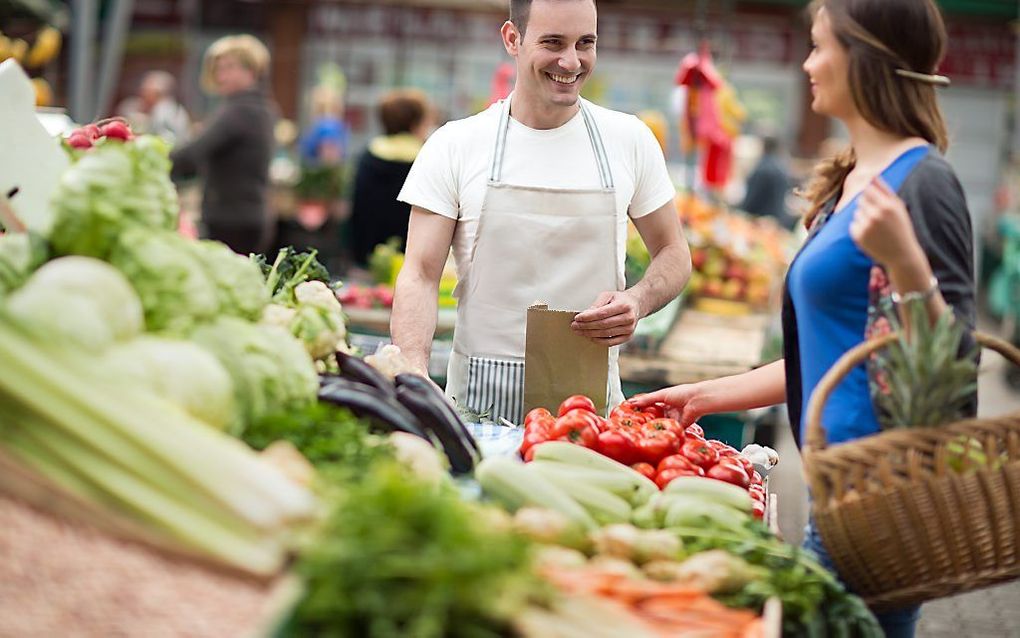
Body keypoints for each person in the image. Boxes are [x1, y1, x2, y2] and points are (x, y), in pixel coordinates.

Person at [634, 1, 976, 636]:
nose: (806, 62)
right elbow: (829, 351)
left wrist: (906, 263)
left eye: (820, 47)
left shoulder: (925, 183)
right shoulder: (850, 178)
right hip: (831, 488)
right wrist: (706, 396)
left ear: (866, 56)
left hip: (882, 500)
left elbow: (956, 368)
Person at [391, 0, 691, 424]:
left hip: (593, 419)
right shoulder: (455, 145)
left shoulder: (629, 141)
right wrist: (413, 370)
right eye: (553, 43)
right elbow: (420, 273)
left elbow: (674, 252)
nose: (571, 62)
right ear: (512, 39)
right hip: (475, 412)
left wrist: (637, 301)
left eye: (585, 43)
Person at [170, 35, 276, 255]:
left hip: (232, 220)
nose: (220, 76)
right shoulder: (260, 107)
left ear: (251, 70)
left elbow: (194, 153)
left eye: (229, 68)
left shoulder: (240, 110)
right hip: (246, 216)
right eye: (218, 69)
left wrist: (154, 160)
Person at [348, 89, 435, 267]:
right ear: (415, 123)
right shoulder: (427, 158)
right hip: (411, 260)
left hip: (367, 254)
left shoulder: (369, 155)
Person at [117, 70, 191, 144]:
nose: (144, 93)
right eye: (144, 89)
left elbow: (172, 139)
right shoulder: (130, 105)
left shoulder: (173, 112)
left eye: (150, 91)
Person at [740, 135, 795, 227]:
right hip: (775, 221)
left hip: (759, 221)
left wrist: (741, 211)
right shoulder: (782, 168)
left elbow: (752, 198)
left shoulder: (762, 168)